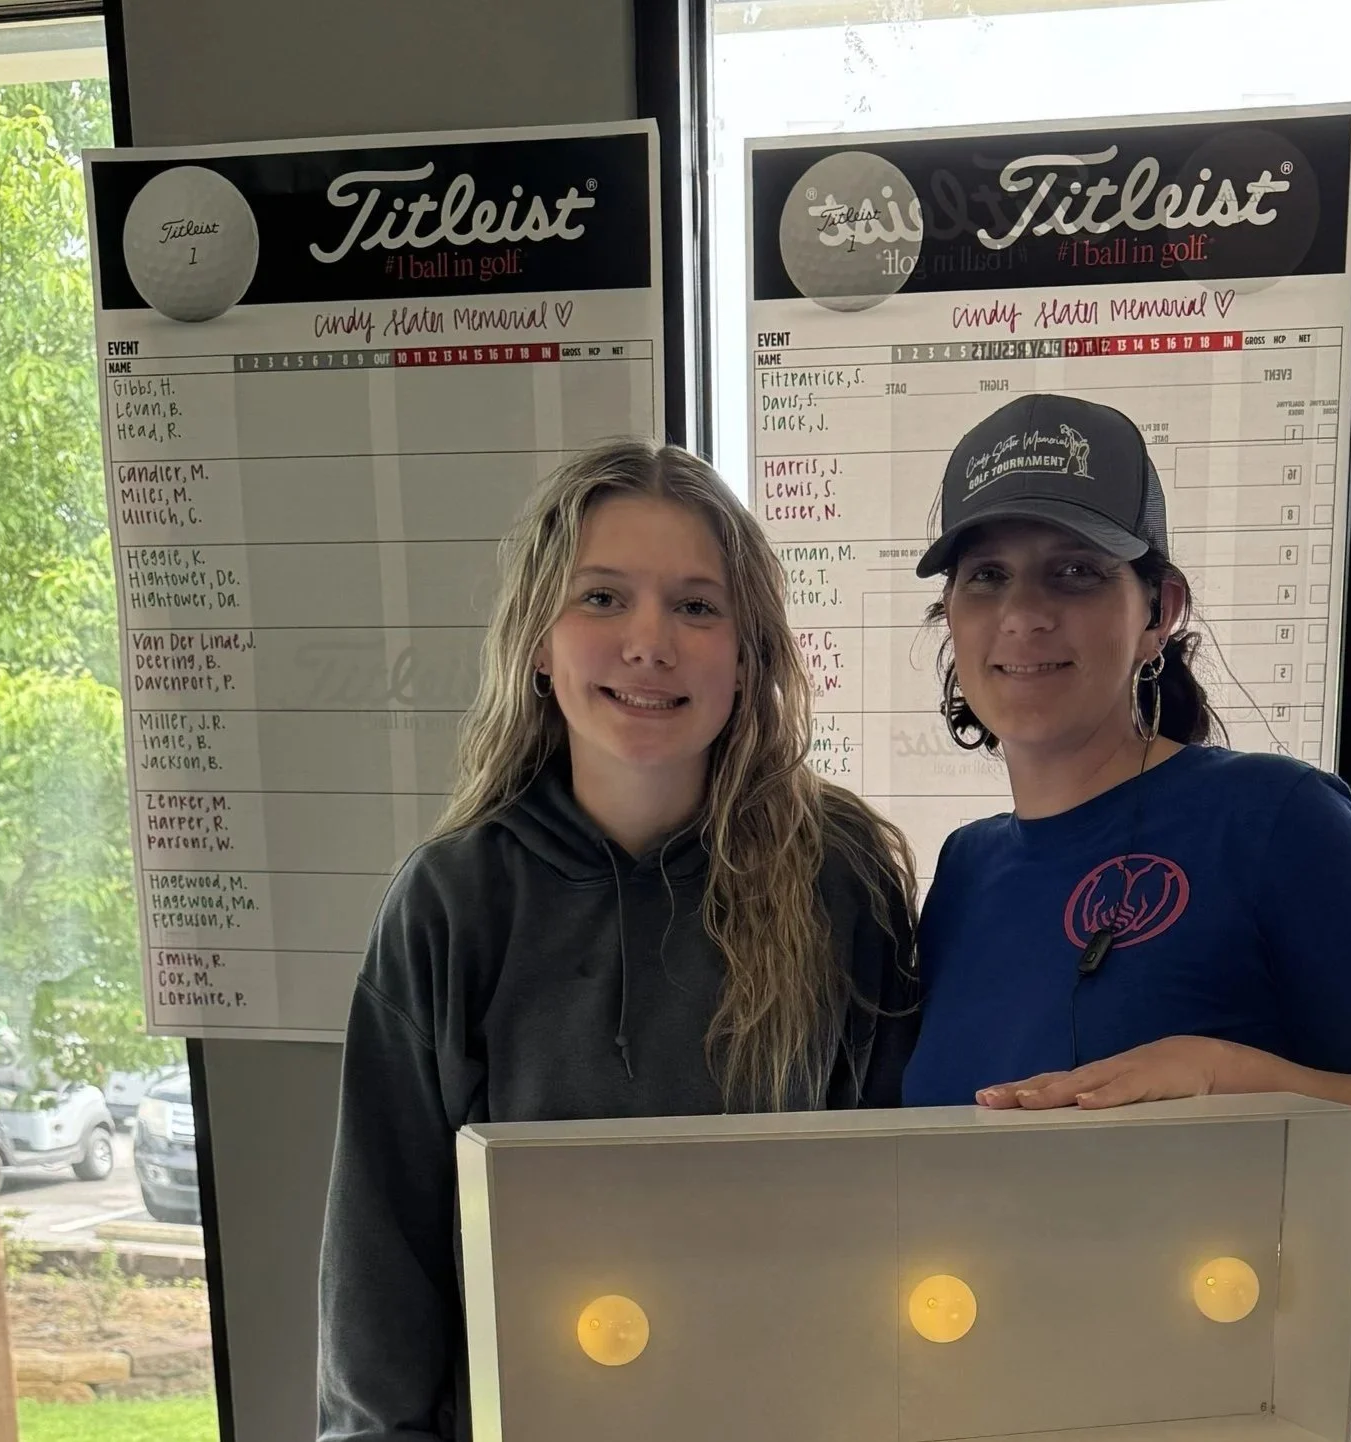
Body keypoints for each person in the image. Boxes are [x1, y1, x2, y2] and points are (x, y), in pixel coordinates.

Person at [317, 441, 918, 1442]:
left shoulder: (837, 873)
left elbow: (892, 1201)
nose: (650, 641)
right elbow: (383, 1256)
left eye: (696, 605)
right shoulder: (452, 901)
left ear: (750, 654)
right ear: (539, 644)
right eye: (602, 598)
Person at [900, 394, 1351, 1215]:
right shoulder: (966, 868)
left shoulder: (1276, 819)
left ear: (1158, 613)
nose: (1023, 615)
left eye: (1074, 571)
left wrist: (1221, 1080)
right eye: (985, 577)